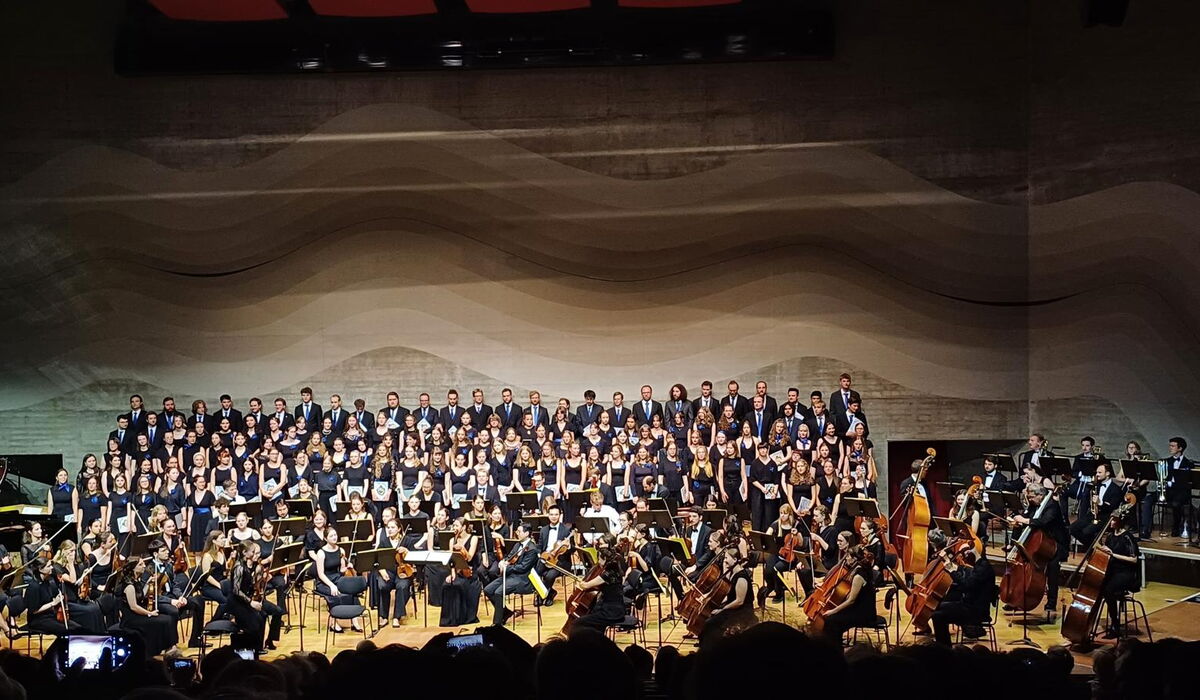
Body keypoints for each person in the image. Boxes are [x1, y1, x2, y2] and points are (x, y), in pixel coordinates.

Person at [1008, 483, 1069, 618]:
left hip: (1055, 544)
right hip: (1038, 542)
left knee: (1053, 568)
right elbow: (1028, 517)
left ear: (1040, 495)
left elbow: (1044, 522)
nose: (1029, 499)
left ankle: (1051, 602)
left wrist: (1024, 520)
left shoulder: (1052, 505)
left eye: (1031, 497)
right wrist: (1018, 522)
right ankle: (1018, 597)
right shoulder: (1034, 504)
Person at [930, 547, 997, 646]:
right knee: (937, 606)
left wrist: (952, 571)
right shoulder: (981, 564)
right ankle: (943, 644)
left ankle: (945, 648)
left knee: (937, 616)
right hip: (968, 605)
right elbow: (968, 574)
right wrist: (954, 568)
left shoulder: (983, 569)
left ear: (972, 554)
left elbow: (967, 585)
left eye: (965, 555)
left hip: (975, 611)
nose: (964, 559)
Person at [115, 557, 179, 656]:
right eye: (140, 565)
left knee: (169, 618)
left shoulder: (136, 580)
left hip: (137, 614)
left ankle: (169, 646)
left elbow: (140, 596)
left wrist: (148, 583)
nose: (144, 566)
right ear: (133, 568)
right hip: (131, 619)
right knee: (162, 621)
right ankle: (158, 649)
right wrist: (149, 613)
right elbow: (134, 606)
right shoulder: (129, 585)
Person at [227, 540, 284, 651]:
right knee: (259, 618)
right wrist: (251, 602)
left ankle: (260, 646)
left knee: (272, 612)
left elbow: (253, 585)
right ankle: (254, 648)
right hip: (239, 602)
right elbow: (236, 590)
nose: (255, 555)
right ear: (245, 553)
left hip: (250, 599)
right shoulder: (239, 567)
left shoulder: (255, 566)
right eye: (253, 552)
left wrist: (260, 576)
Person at [564, 534, 626, 633]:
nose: (598, 563)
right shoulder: (612, 569)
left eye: (599, 560)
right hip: (610, 607)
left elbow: (586, 585)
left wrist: (581, 582)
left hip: (611, 612)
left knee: (578, 622)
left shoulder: (606, 574)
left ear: (605, 559)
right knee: (590, 619)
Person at [815, 545, 876, 643]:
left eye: (848, 556)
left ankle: (834, 647)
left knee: (831, 620)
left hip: (863, 613)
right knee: (833, 621)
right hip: (857, 608)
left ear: (854, 559)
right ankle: (835, 643)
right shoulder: (858, 570)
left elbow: (851, 600)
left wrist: (833, 611)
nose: (846, 558)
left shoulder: (859, 576)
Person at [483, 522, 540, 625]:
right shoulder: (518, 544)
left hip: (523, 579)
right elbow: (510, 557)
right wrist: (503, 561)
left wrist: (507, 567)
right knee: (488, 590)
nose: (517, 533)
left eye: (519, 531)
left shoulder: (532, 549)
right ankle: (505, 612)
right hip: (511, 575)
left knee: (498, 592)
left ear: (527, 533)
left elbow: (523, 568)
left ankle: (497, 624)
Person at [1097, 512, 1140, 639]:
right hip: (1113, 571)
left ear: (1120, 522)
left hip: (1126, 573)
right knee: (1101, 586)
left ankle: (1115, 625)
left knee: (1109, 590)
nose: (1111, 522)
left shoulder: (1127, 537)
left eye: (1113, 520)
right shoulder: (1110, 536)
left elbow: (1134, 559)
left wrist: (1113, 554)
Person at [440, 517, 483, 626]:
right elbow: (452, 561)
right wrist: (452, 574)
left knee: (459, 585)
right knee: (447, 584)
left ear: (463, 527)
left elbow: (469, 558)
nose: (455, 528)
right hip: (457, 571)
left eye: (457, 525)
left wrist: (462, 548)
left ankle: (461, 618)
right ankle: (449, 619)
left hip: (470, 572)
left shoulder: (473, 538)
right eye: (454, 525)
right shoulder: (452, 540)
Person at [373, 518, 413, 627]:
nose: (390, 530)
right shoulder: (384, 541)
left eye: (393, 527)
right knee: (382, 586)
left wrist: (406, 551)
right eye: (388, 528)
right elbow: (377, 559)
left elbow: (414, 557)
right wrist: (382, 571)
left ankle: (397, 616)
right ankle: (384, 616)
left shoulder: (407, 540)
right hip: (387, 570)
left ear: (399, 529)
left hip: (403, 570)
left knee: (402, 586)